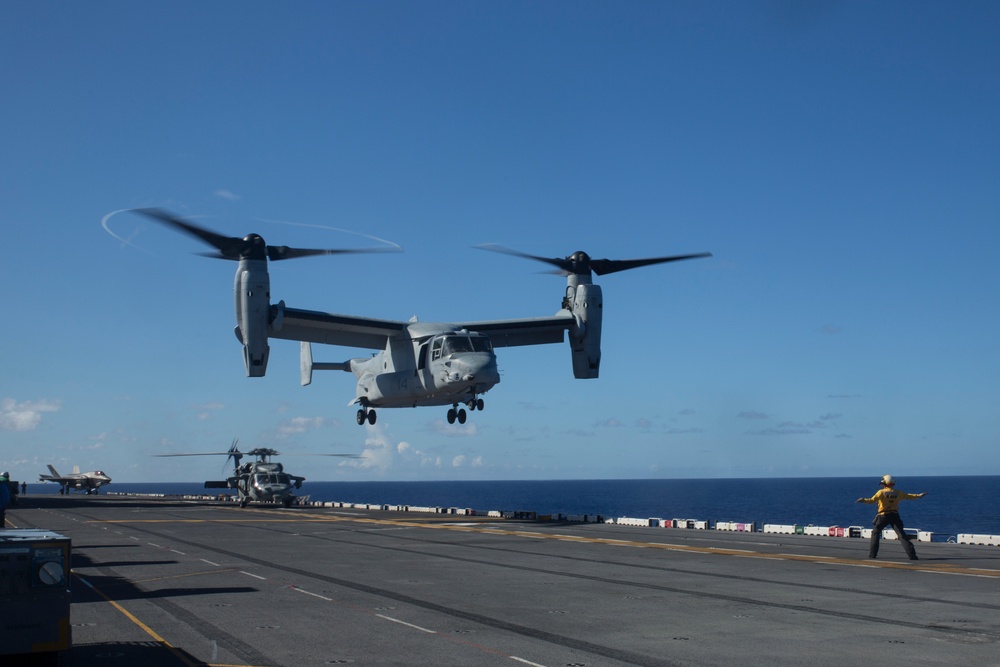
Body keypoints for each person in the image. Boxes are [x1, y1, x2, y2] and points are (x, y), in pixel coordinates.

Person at [856, 474, 926, 560]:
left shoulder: (881, 492)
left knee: (875, 533)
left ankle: (872, 554)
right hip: (895, 515)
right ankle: (912, 555)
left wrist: (863, 500)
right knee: (901, 535)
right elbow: (908, 496)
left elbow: (871, 501)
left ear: (884, 483)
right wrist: (919, 496)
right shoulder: (898, 493)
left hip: (883, 516)